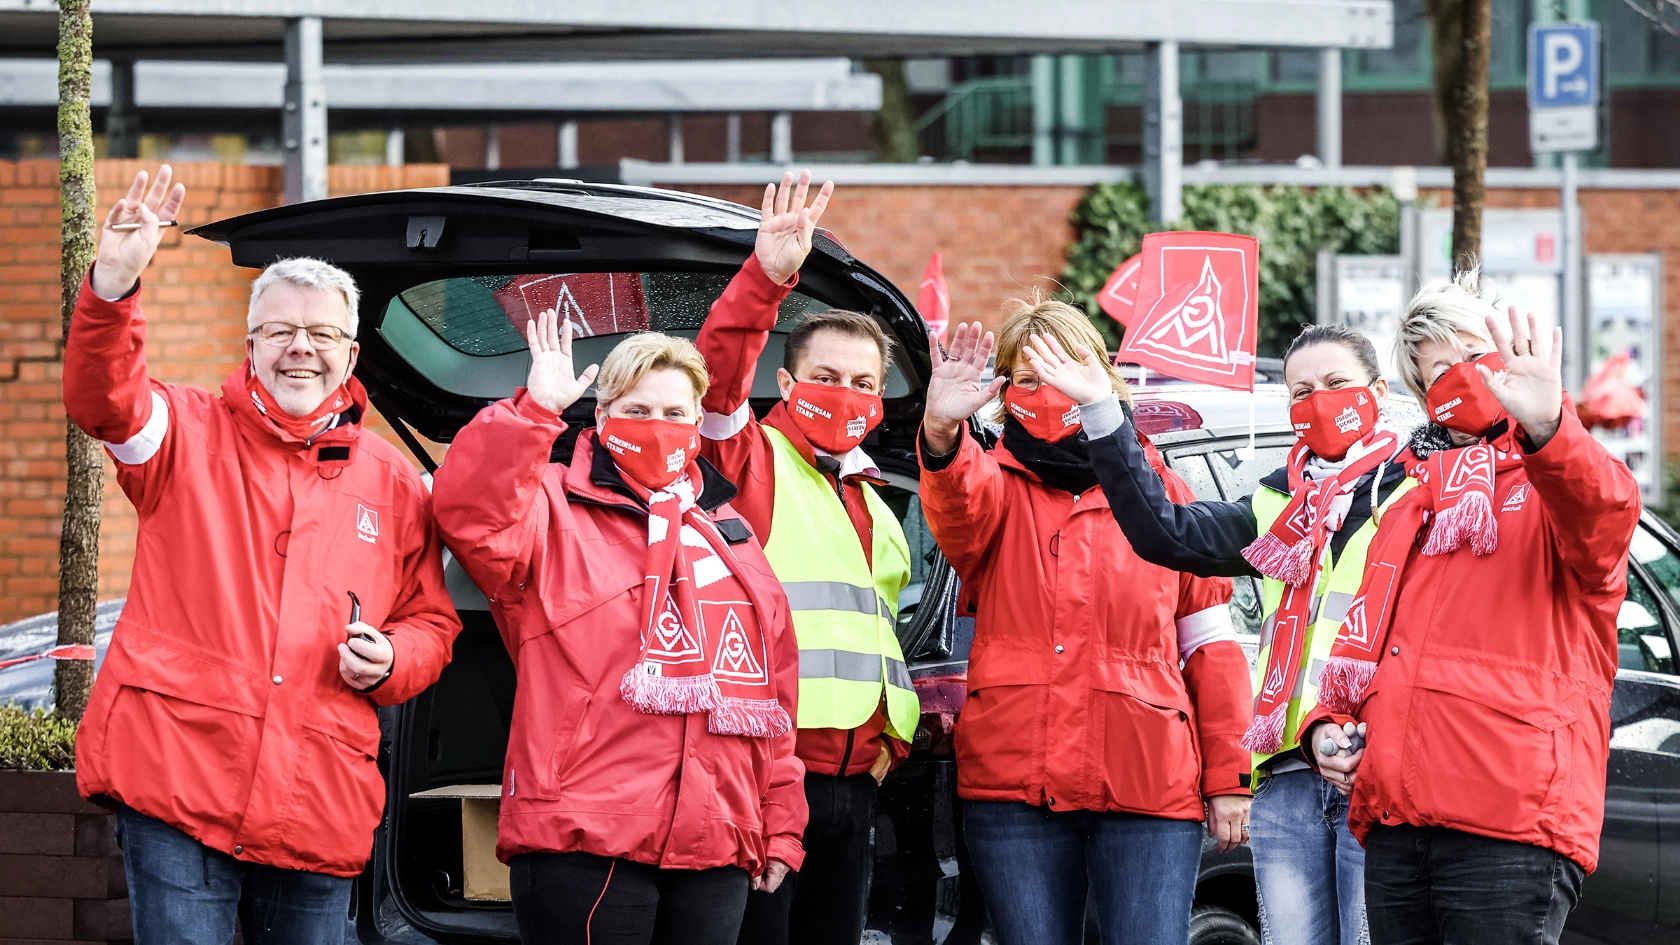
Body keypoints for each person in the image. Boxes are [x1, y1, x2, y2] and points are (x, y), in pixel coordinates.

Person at [64, 166, 462, 944]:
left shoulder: (393, 481)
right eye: (281, 331)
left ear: (350, 356)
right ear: (251, 344)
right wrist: (113, 287)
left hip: (317, 796)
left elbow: (432, 624)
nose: (299, 350)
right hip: (179, 781)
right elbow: (101, 397)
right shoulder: (181, 431)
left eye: (320, 335)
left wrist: (392, 659)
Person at [1025, 324, 1413, 945]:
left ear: (1379, 389)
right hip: (1288, 771)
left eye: (1337, 384)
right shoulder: (1283, 504)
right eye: (1301, 391)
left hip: (1380, 770)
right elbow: (1167, 533)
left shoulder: (1422, 491)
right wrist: (1102, 412)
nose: (1319, 401)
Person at [431, 310, 806, 945]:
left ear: (696, 425)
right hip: (583, 838)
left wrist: (779, 823)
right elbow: (470, 513)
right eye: (637, 410)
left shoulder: (729, 533)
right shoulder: (549, 502)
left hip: (718, 837)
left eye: (675, 413)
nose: (657, 428)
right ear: (601, 421)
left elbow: (774, 700)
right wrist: (532, 412)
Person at [1300, 272, 1641, 945]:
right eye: (1438, 371)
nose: (1460, 376)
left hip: (1508, 823)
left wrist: (1549, 425)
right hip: (1399, 825)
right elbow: (1366, 642)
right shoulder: (1407, 503)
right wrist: (1326, 725)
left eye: (1471, 355)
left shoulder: (1555, 477)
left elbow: (1605, 514)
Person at [916, 303, 1253, 945]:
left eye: (1063, 370)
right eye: (1026, 378)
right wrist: (939, 431)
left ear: (1101, 374)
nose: (1046, 394)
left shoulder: (1165, 497)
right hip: (1014, 784)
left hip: (1149, 781)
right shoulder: (991, 484)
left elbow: (1212, 649)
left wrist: (1229, 776)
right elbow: (955, 508)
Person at [693, 171, 918, 945]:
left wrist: (891, 743)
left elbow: (880, 635)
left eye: (863, 384)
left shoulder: (874, 498)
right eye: (825, 378)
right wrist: (766, 277)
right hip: (765, 776)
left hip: (856, 785)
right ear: (785, 382)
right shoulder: (749, 458)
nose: (845, 394)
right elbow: (716, 380)